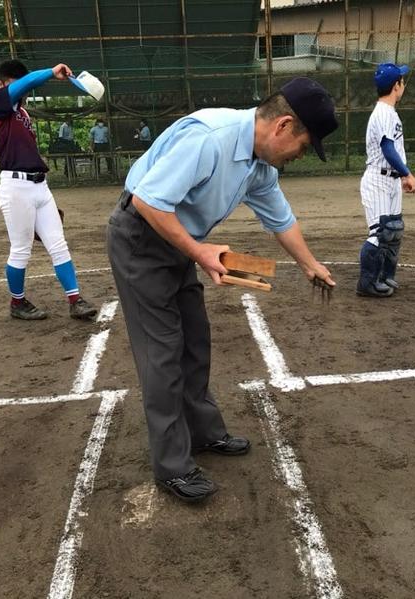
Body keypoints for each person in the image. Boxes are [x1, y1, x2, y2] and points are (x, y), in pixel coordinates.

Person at [107, 77, 337, 502]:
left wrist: (310, 265)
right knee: (162, 352)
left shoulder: (260, 165)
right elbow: (147, 202)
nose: (299, 157)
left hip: (179, 240)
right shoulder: (211, 139)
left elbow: (280, 219)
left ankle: (203, 432)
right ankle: (172, 466)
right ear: (283, 126)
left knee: (196, 340)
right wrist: (200, 252)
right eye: (303, 147)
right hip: (141, 238)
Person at [0, 59, 97, 321]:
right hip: (15, 187)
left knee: (58, 244)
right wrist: (50, 72)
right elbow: (23, 85)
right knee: (21, 248)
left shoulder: (22, 113)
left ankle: (75, 300)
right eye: (13, 85)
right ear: (1, 84)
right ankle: (17, 303)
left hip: (40, 186)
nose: (19, 90)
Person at [357, 62, 415, 298]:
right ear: (397, 85)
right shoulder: (383, 113)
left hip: (390, 180)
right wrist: (407, 173)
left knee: (393, 231)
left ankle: (384, 276)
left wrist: (400, 175)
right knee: (380, 233)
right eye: (402, 80)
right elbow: (387, 148)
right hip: (378, 181)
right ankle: (366, 284)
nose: (403, 84)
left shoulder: (388, 113)